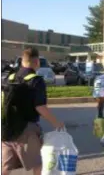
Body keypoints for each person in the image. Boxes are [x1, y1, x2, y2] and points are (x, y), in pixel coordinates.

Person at [1, 47, 64, 175]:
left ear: (22, 61)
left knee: (6, 167)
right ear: (37, 62)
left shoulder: (10, 77)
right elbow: (40, 107)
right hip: (26, 130)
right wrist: (56, 123)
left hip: (6, 129)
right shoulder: (36, 80)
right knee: (38, 165)